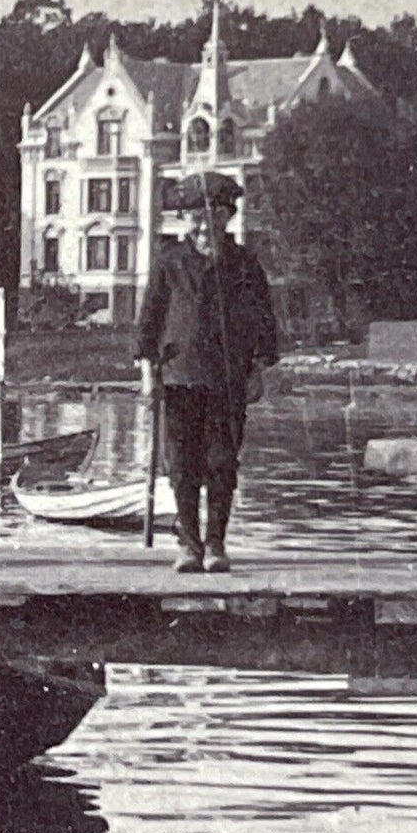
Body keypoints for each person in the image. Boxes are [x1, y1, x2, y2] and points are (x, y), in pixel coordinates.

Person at [136, 172, 279, 573]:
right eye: (193, 218)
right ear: (184, 221)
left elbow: (264, 320)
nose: (202, 227)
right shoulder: (169, 263)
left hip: (228, 380)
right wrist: (148, 376)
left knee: (221, 462)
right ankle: (189, 545)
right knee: (181, 465)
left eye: (211, 217)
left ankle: (216, 543)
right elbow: (149, 322)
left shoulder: (244, 264)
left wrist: (259, 369)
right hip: (178, 378)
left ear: (227, 217)